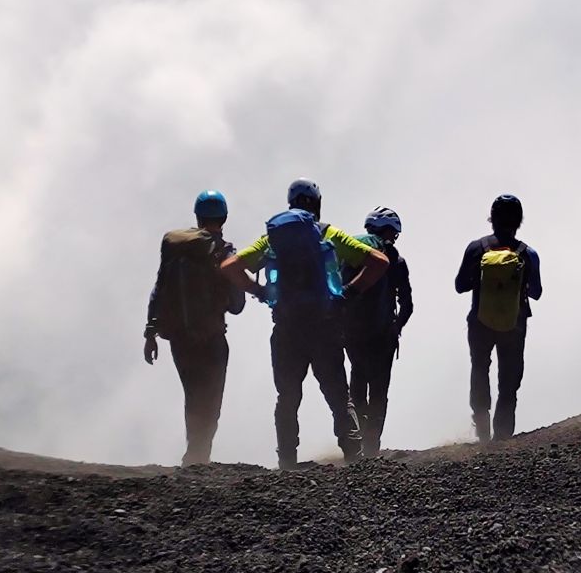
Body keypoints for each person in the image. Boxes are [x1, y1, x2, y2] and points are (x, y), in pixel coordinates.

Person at [220, 179, 390, 470]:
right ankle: (354, 456)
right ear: (317, 204)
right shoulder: (328, 234)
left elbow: (230, 268)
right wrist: (347, 293)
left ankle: (286, 460)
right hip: (325, 327)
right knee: (339, 396)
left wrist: (262, 293)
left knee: (287, 397)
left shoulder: (273, 237)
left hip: (286, 328)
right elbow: (379, 261)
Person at [143, 190, 245, 466]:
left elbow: (159, 289)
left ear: (198, 217)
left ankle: (195, 453)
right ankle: (200, 455)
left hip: (179, 338)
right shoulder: (224, 251)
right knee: (211, 399)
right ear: (223, 218)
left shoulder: (174, 248)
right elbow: (237, 305)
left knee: (193, 395)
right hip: (212, 337)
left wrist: (150, 333)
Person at [455, 195, 542, 444]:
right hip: (515, 323)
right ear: (519, 221)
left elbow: (460, 285)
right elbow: (536, 292)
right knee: (509, 376)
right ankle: (503, 435)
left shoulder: (476, 248)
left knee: (480, 368)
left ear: (492, 219)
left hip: (480, 321)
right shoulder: (527, 253)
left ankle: (482, 427)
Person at [343, 207, 414, 457]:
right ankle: (372, 449)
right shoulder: (396, 261)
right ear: (391, 232)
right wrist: (396, 328)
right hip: (383, 335)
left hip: (352, 334)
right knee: (379, 392)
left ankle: (355, 445)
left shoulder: (350, 255)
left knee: (356, 386)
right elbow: (407, 305)